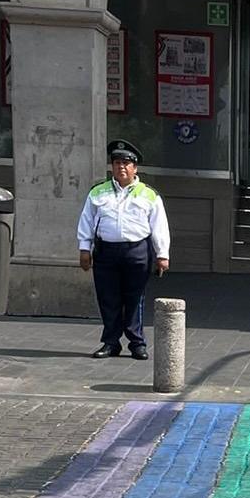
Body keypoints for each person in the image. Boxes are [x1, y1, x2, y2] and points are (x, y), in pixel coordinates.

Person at [77, 140, 171, 360]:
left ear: (135, 168)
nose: (122, 167)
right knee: (108, 298)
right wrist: (84, 248)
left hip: (136, 251)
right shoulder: (98, 192)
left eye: (126, 163)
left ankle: (137, 343)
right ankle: (111, 342)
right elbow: (86, 221)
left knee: (134, 298)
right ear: (112, 166)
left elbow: (160, 226)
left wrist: (162, 254)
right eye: (117, 162)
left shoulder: (149, 194)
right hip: (106, 252)